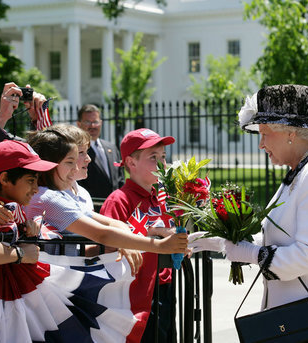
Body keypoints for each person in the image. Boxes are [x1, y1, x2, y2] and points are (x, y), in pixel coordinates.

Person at [191, 84, 308, 343]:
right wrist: (217, 241)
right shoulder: (301, 170)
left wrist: (250, 254)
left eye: (265, 133)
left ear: (290, 134)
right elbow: (280, 237)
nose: (261, 144)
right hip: (301, 313)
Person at [23, 127, 187, 274]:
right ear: (49, 165)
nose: (75, 168)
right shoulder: (47, 197)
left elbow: (111, 225)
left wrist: (122, 239)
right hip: (51, 283)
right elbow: (102, 234)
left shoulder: (58, 195)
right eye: (69, 162)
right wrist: (159, 246)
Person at [0, 139, 58, 341]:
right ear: (5, 178)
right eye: (30, 180)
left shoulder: (12, 205)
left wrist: (29, 232)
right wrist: (21, 254)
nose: (36, 189)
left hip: (1, 300)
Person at [100, 128, 177, 342]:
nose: (162, 163)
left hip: (163, 287)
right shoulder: (119, 199)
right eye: (153, 157)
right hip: (135, 294)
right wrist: (150, 233)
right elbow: (107, 247)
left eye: (163, 156)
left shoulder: (162, 197)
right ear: (131, 163)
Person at [76, 104, 124, 200]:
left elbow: (120, 179)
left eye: (95, 122)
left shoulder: (112, 148)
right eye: (87, 122)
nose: (92, 126)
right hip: (91, 208)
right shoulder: (76, 150)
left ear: (101, 123)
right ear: (79, 124)